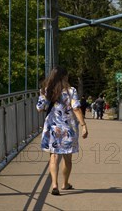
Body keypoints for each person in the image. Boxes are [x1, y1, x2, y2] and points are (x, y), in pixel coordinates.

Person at [36, 65, 88, 196]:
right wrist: (83, 125)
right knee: (67, 158)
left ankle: (54, 185)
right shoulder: (71, 91)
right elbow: (76, 108)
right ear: (65, 77)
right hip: (68, 129)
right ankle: (65, 183)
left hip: (52, 128)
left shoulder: (46, 90)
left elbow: (39, 108)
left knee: (53, 157)